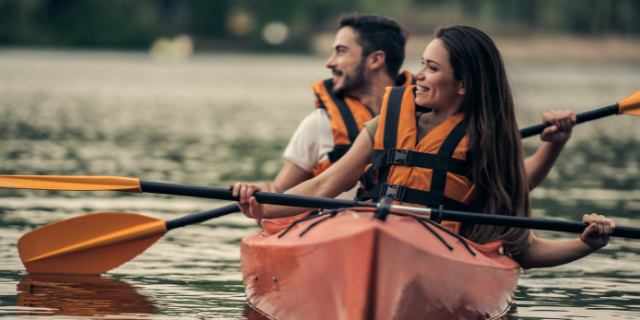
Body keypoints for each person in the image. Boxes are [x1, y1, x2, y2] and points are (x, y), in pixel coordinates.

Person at [232, 25, 614, 269]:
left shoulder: (490, 144)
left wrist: (586, 245)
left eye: (431, 68)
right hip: (363, 234)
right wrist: (260, 202)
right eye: (421, 64)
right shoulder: (387, 122)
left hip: (441, 252)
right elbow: (322, 186)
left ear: (463, 84)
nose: (418, 76)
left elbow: (523, 249)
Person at [259, 14, 575, 216]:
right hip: (343, 229)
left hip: (429, 236)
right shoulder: (327, 124)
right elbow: (307, 188)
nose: (329, 62)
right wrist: (258, 201)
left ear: (376, 59)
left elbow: (512, 185)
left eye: (340, 51)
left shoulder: (468, 127)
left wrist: (554, 144)